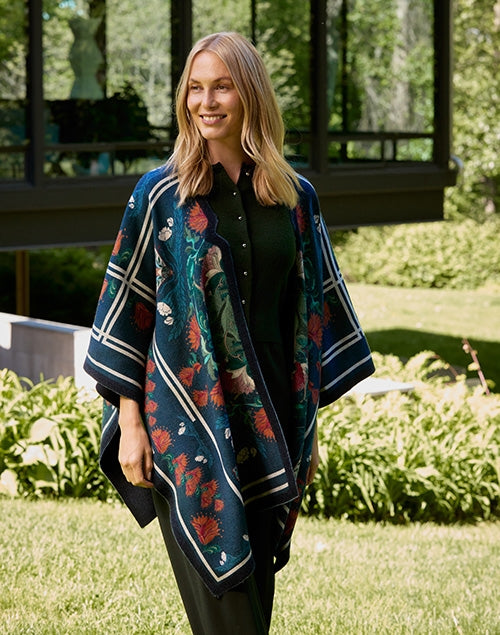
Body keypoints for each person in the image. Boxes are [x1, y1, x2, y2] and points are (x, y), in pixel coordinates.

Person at [85, 31, 374, 635]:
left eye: (222, 86)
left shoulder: (295, 198)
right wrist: (131, 425)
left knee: (255, 609)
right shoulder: (161, 195)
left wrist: (308, 433)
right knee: (231, 614)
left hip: (276, 421)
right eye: (195, 88)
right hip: (187, 421)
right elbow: (130, 310)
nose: (206, 101)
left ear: (251, 96)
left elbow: (311, 317)